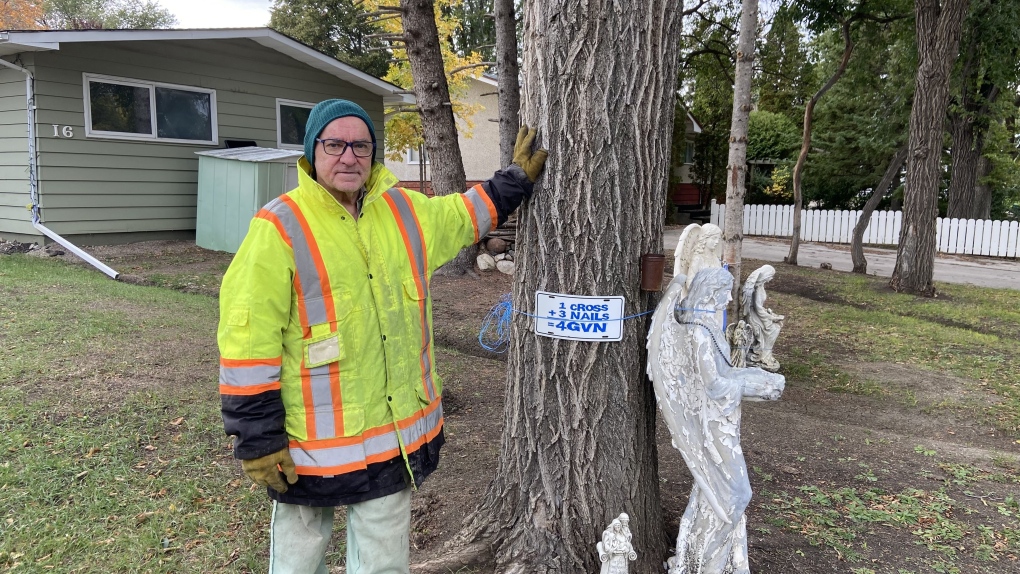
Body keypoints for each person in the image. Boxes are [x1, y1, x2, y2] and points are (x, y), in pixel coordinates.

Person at [217, 99, 547, 574]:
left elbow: (462, 215)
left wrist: (513, 181)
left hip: (391, 439)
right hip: (305, 446)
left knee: (383, 561)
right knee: (297, 554)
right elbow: (247, 341)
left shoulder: (404, 211)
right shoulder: (279, 227)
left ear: (373, 154)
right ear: (312, 152)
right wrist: (256, 436)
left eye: (361, 145)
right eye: (335, 144)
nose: (348, 156)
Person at [656, 268, 784, 574]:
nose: (729, 298)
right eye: (724, 291)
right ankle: (705, 563)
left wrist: (761, 376)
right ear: (712, 292)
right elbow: (713, 386)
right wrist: (756, 386)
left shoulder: (708, 327)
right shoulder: (699, 332)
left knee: (711, 493)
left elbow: (725, 372)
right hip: (711, 427)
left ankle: (699, 559)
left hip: (723, 421)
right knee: (738, 494)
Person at [740, 264, 784, 371]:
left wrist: (770, 313)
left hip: (759, 314)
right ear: (765, 275)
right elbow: (758, 309)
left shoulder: (760, 286)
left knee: (776, 326)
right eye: (771, 276)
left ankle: (765, 354)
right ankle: (763, 356)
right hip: (755, 316)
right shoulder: (757, 289)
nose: (771, 279)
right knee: (773, 329)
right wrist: (772, 318)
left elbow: (760, 308)